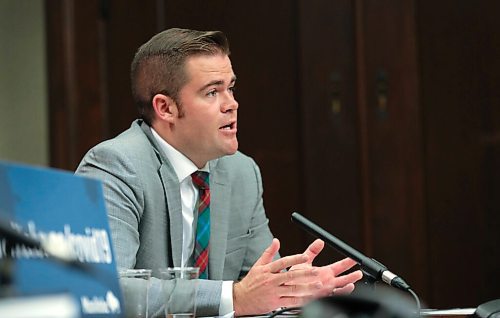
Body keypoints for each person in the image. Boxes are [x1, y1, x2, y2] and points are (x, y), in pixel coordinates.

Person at [76, 28, 362, 317]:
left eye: (231, 88)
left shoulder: (241, 172)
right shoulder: (115, 167)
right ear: (166, 108)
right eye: (212, 92)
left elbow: (261, 292)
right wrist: (234, 297)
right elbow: (103, 288)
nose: (232, 104)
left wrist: (289, 290)